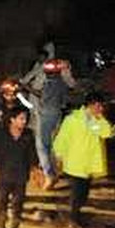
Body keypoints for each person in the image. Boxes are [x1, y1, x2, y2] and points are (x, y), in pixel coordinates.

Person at [53, 92, 115, 227]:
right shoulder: (72, 119)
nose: (101, 109)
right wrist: (59, 156)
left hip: (88, 165)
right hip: (75, 164)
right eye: (99, 106)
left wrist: (99, 119)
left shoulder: (95, 120)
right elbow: (62, 139)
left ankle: (75, 215)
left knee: (83, 193)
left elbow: (107, 133)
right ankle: (73, 219)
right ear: (92, 105)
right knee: (77, 194)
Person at [0, 106, 35, 228]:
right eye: (21, 118)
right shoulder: (1, 134)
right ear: (12, 119)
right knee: (1, 203)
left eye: (25, 119)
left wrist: (36, 170)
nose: (24, 121)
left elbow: (32, 154)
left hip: (21, 175)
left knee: (17, 204)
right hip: (4, 175)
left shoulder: (28, 134)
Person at [30, 56, 76, 190]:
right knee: (51, 144)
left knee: (42, 146)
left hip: (46, 115)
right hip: (56, 114)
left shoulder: (52, 83)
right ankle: (54, 171)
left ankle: (49, 175)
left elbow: (42, 95)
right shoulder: (61, 82)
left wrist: (27, 88)